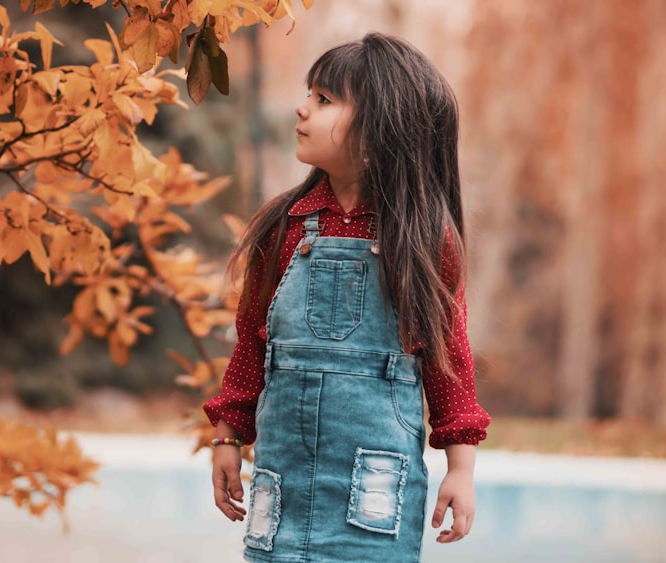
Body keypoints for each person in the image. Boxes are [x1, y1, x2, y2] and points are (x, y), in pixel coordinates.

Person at [203, 33, 491, 563]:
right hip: (282, 475)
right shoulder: (284, 225)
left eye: (324, 99)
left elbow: (449, 359)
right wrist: (226, 438)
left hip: (375, 483)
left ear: (379, 128)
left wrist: (462, 469)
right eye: (309, 94)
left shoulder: (423, 237)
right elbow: (252, 343)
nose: (301, 107)